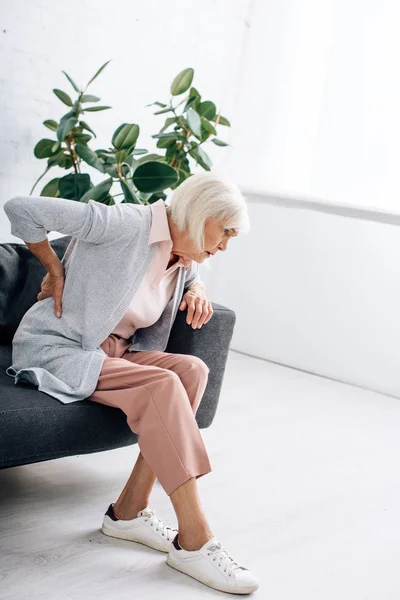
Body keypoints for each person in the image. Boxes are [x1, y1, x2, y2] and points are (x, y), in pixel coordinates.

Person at [3, 172, 258, 594]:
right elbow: (22, 208)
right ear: (201, 214)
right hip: (62, 347)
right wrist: (53, 267)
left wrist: (195, 288)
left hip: (117, 350)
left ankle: (129, 511)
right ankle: (195, 539)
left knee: (192, 371)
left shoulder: (183, 255)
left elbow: (175, 271)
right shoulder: (125, 222)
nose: (227, 245)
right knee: (162, 387)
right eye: (225, 231)